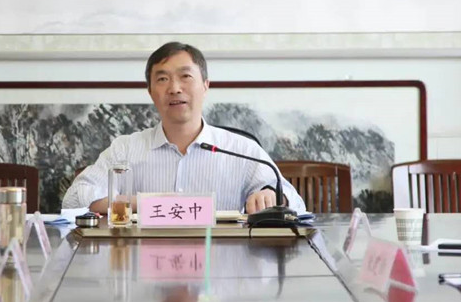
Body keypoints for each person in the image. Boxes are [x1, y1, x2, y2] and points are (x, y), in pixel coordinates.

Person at [62, 42, 305, 214]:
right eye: (162, 79)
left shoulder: (240, 149)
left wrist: (271, 195)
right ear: (151, 92)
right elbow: (74, 199)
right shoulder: (125, 149)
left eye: (185, 77)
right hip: (145, 266)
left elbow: (295, 204)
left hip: (221, 266)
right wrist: (145, 203)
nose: (174, 88)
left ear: (205, 85)